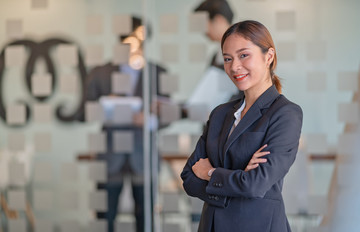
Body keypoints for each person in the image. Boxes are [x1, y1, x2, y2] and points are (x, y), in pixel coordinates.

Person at [181, 20, 303, 232]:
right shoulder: (220, 114)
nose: (234, 66)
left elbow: (255, 185)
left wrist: (211, 174)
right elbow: (189, 178)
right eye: (228, 59)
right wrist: (240, 179)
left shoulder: (285, 114)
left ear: (269, 56)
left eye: (243, 55)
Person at [85, 16, 168, 232]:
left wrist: (149, 119)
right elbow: (84, 111)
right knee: (105, 217)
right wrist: (107, 106)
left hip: (143, 155)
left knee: (145, 218)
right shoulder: (101, 73)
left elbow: (170, 112)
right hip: (110, 155)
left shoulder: (157, 72)